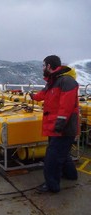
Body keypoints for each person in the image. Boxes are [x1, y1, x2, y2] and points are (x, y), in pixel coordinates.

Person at [30, 55, 79, 193]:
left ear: (50, 66)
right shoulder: (53, 81)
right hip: (54, 127)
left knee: (52, 157)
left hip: (62, 128)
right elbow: (43, 94)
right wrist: (32, 97)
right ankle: (71, 175)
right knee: (61, 153)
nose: (43, 68)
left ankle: (52, 186)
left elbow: (66, 107)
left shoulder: (67, 81)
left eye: (44, 65)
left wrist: (59, 125)